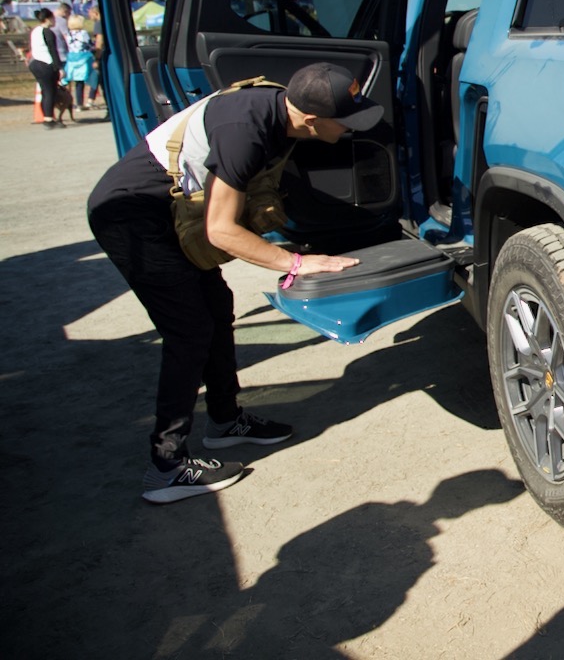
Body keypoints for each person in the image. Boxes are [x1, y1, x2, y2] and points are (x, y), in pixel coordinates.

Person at [87, 62, 384, 504]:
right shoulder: (245, 132)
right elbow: (220, 230)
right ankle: (167, 466)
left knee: (216, 307)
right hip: (129, 215)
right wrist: (297, 262)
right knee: (188, 331)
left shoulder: (284, 109)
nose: (350, 129)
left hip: (162, 211)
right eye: (345, 121)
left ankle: (225, 421)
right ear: (310, 120)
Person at [27, 7, 66, 128]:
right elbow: (53, 50)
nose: (55, 21)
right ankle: (49, 119)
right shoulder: (48, 32)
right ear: (48, 19)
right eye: (53, 18)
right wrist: (59, 67)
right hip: (46, 63)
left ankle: (46, 116)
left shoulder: (35, 31)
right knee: (50, 91)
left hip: (35, 62)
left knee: (44, 90)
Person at [63, 13, 95, 110]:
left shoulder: (68, 34)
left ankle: (77, 104)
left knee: (76, 82)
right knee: (89, 79)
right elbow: (89, 44)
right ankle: (86, 101)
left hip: (72, 58)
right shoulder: (83, 33)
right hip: (83, 58)